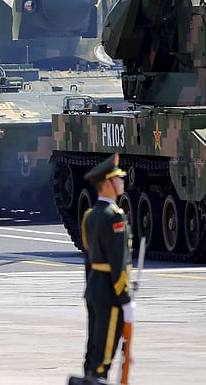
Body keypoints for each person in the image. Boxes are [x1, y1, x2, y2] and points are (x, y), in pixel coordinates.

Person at [77, 153, 134, 382]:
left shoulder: (90, 216)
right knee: (105, 353)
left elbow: (89, 260)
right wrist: (125, 297)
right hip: (110, 292)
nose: (122, 181)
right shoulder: (114, 217)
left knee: (94, 348)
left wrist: (92, 287)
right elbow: (117, 262)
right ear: (107, 184)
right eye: (118, 178)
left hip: (94, 289)